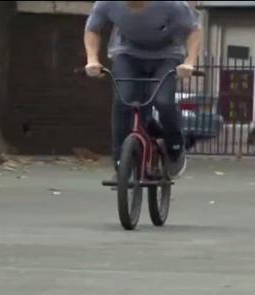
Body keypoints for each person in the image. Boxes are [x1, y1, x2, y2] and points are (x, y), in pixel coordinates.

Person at [84, 1, 201, 179]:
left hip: (167, 54)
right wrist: (92, 59)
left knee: (163, 101)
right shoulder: (107, 3)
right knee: (123, 101)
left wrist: (190, 62)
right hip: (127, 53)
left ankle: (175, 147)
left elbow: (194, 29)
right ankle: (121, 162)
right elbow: (93, 29)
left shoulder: (172, 4)